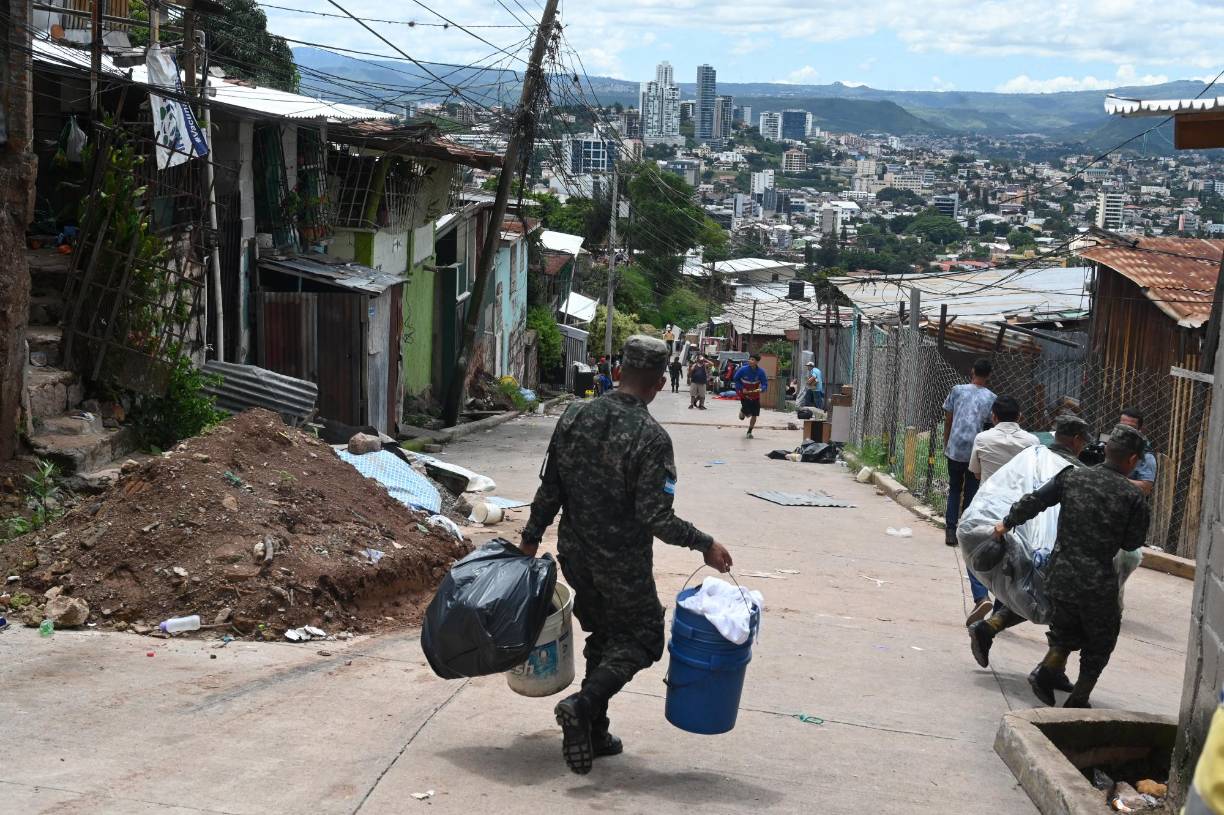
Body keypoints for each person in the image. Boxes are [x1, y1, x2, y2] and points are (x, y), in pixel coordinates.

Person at [520, 335, 733, 774]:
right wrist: (705, 544)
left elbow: (550, 489)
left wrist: (529, 538)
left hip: (575, 555)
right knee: (643, 637)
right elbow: (656, 516)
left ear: (618, 372)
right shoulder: (651, 437)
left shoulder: (575, 414)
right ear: (658, 383)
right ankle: (584, 703)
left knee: (604, 634)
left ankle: (595, 731)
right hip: (621, 562)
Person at [992, 424, 1150, 708]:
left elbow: (1035, 501)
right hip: (1096, 583)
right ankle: (1078, 698)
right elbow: (1130, 544)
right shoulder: (1133, 497)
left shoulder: (1072, 477)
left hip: (1058, 575)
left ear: (1107, 451)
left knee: (1065, 630)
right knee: (1100, 641)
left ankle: (1047, 670)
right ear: (1132, 460)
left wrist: (1006, 523)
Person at [967, 414, 1091, 677]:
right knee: (1065, 608)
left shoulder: (1032, 456)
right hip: (1052, 555)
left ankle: (990, 629)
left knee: (1036, 596)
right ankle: (1052, 668)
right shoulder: (1077, 473)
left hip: (1018, 543)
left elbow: (1007, 491)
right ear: (1077, 441)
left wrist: (1004, 525)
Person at [962, 395, 1040, 625]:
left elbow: (975, 472)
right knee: (1012, 561)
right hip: (1019, 511)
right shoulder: (1032, 442)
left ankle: (980, 595)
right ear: (1020, 417)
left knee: (972, 550)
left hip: (986, 507)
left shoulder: (983, 438)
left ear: (994, 417)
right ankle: (998, 609)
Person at [942, 358, 996, 547]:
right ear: (989, 375)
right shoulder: (991, 398)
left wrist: (946, 442)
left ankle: (950, 529)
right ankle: (964, 529)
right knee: (972, 491)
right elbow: (990, 425)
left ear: (972, 371)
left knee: (954, 488)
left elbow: (948, 419)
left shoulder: (957, 390)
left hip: (956, 448)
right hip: (976, 451)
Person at [1118, 408, 1157, 496]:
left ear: (1139, 430)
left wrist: (1115, 479)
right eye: (1122, 426)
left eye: (1131, 427)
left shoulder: (1146, 455)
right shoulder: (1110, 445)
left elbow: (1146, 488)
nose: (1125, 430)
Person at [734, 355, 769, 439]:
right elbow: (736, 379)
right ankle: (743, 411)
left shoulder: (761, 372)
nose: (750, 361)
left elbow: (765, 383)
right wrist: (742, 388)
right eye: (750, 359)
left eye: (752, 360)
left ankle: (749, 431)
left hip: (755, 396)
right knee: (747, 414)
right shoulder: (743, 369)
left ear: (757, 362)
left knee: (754, 414)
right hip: (744, 395)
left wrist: (762, 389)